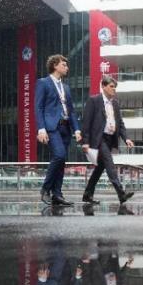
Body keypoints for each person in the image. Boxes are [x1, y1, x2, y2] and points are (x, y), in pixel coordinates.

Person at [80, 76, 135, 205]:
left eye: (115, 87)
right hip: (99, 139)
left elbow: (120, 123)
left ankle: (87, 195)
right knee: (110, 164)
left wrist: (126, 138)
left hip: (110, 139)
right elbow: (86, 122)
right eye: (111, 86)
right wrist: (85, 141)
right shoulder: (94, 100)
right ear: (103, 86)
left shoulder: (115, 103)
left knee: (99, 168)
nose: (114, 89)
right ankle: (121, 193)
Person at [36, 54, 82, 206]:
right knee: (59, 155)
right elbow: (38, 107)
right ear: (55, 65)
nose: (67, 68)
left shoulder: (66, 87)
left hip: (66, 127)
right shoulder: (43, 83)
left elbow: (71, 110)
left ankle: (57, 194)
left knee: (62, 161)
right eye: (64, 65)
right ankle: (45, 189)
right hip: (52, 127)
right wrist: (41, 129)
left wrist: (77, 129)